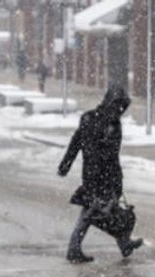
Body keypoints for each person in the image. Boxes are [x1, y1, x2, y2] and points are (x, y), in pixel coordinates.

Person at [57, 85, 143, 262]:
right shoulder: (110, 124)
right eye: (118, 106)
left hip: (94, 174)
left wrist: (65, 164)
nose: (120, 110)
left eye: (122, 107)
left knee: (107, 210)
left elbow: (76, 143)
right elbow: (109, 155)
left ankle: (123, 244)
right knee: (92, 213)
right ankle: (74, 249)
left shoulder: (89, 118)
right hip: (102, 175)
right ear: (110, 102)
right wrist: (116, 179)